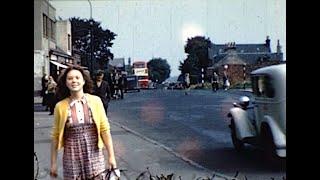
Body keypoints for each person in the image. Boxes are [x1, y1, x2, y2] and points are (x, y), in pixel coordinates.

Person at [50, 66, 118, 179]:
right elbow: (55, 136)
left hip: (94, 153)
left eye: (77, 77)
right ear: (65, 82)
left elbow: (104, 130)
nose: (74, 81)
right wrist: (53, 163)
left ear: (84, 81)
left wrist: (111, 157)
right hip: (71, 156)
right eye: (70, 78)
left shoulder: (96, 101)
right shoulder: (60, 106)